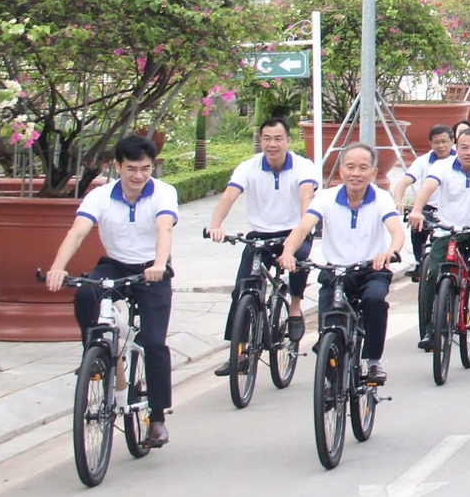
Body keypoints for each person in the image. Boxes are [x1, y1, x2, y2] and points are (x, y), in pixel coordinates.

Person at [45, 134, 178, 447]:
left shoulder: (164, 193)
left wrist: (159, 264)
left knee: (154, 343)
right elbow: (77, 232)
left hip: (151, 269)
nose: (138, 176)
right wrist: (57, 267)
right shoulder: (100, 196)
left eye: (145, 169)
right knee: (85, 292)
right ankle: (96, 355)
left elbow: (164, 229)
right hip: (115, 265)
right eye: (131, 168)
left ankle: (156, 417)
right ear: (117, 166)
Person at [277, 143, 401, 388]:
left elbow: (396, 230)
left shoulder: (381, 198)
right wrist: (288, 252)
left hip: (371, 270)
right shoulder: (326, 197)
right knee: (330, 324)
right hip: (336, 273)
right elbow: (302, 228)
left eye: (363, 168)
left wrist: (390, 252)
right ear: (341, 171)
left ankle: (373, 360)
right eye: (350, 167)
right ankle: (331, 374)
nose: (356, 173)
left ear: (373, 173)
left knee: (375, 301)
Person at [204, 115, 316, 371]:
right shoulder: (248, 167)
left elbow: (306, 197)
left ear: (288, 141)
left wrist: (301, 230)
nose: (272, 144)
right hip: (261, 235)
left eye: (278, 139)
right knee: (243, 288)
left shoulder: (302, 166)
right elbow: (229, 197)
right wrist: (215, 225)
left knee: (299, 260)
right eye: (267, 139)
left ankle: (296, 307)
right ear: (260, 141)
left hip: (294, 230)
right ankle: (239, 353)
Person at [405, 126, 470, 348]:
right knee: (432, 272)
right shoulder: (442, 166)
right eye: (464, 148)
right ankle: (431, 329)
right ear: (456, 148)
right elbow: (428, 187)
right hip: (448, 230)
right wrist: (417, 210)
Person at [391, 123, 456, 273]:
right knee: (416, 225)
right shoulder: (423, 161)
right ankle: (419, 263)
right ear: (430, 143)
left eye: (444, 141)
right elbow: (404, 182)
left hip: (452, 208)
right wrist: (398, 201)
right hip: (428, 208)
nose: (440, 146)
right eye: (436, 142)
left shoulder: (459, 160)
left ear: (453, 141)